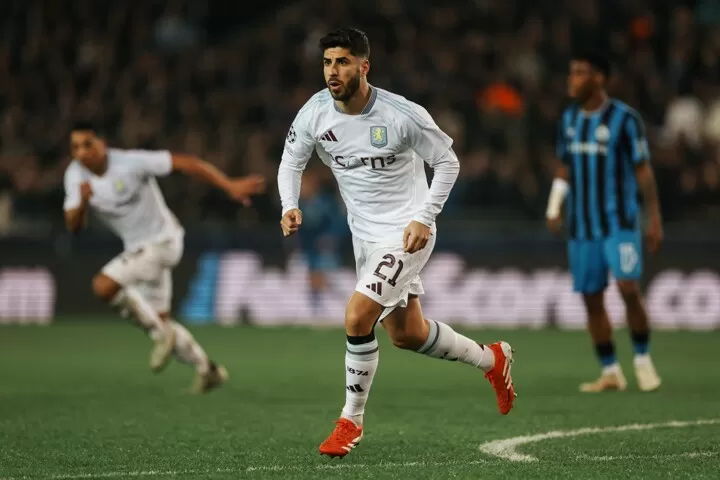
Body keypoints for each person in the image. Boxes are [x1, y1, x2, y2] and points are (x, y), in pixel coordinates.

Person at [277, 28, 516, 458]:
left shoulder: (401, 115)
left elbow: (447, 162)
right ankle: (492, 359)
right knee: (408, 334)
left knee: (357, 317)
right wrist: (289, 205)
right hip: (364, 237)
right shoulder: (315, 112)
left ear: (364, 66)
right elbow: (291, 161)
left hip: (407, 234)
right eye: (328, 62)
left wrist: (425, 217)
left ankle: (350, 421)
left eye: (343, 62)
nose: (333, 71)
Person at [63, 122, 265, 393]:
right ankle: (208, 370)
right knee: (160, 322)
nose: (82, 152)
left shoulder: (131, 163)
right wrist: (83, 202)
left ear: (103, 143)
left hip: (163, 242)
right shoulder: (75, 175)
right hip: (138, 251)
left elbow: (187, 163)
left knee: (103, 286)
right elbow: (73, 226)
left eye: (87, 144)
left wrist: (229, 185)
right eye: (75, 147)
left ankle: (162, 333)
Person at [546, 52, 663, 393]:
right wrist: (554, 206)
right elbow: (564, 166)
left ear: (599, 78)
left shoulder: (625, 119)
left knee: (628, 288)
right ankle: (611, 371)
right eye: (571, 72)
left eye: (580, 73)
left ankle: (642, 358)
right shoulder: (569, 118)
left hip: (619, 222)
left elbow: (643, 169)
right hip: (582, 226)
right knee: (591, 298)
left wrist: (654, 217)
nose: (572, 79)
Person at [297, 167, 347, 316]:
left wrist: (330, 238)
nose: (302, 188)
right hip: (305, 253)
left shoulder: (326, 202)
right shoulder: (296, 205)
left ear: (314, 184)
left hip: (327, 253)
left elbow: (340, 224)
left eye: (305, 184)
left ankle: (336, 309)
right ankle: (314, 311)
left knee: (329, 282)